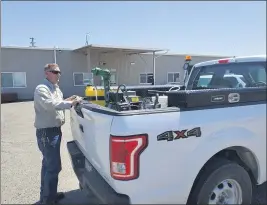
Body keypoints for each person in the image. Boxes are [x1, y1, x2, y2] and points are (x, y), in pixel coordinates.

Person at [34, 63, 81, 204]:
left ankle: (48, 195)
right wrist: (71, 104)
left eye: (59, 71)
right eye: (54, 71)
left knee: (48, 165)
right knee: (53, 166)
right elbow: (50, 104)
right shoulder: (42, 88)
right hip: (46, 132)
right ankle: (48, 200)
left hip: (54, 131)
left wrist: (69, 100)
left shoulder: (56, 89)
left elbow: (59, 102)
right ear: (46, 73)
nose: (58, 74)